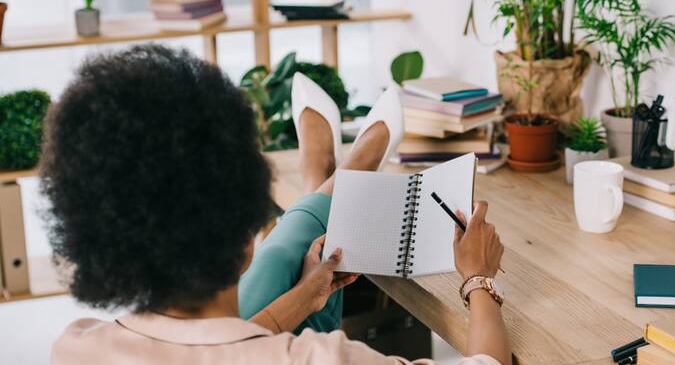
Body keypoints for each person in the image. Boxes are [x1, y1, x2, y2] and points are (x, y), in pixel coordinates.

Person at [44, 44, 511, 365]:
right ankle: (342, 173)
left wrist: (307, 295)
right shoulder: (318, 358)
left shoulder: (77, 349)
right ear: (247, 238)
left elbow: (218, 351)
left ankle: (332, 175)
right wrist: (477, 278)